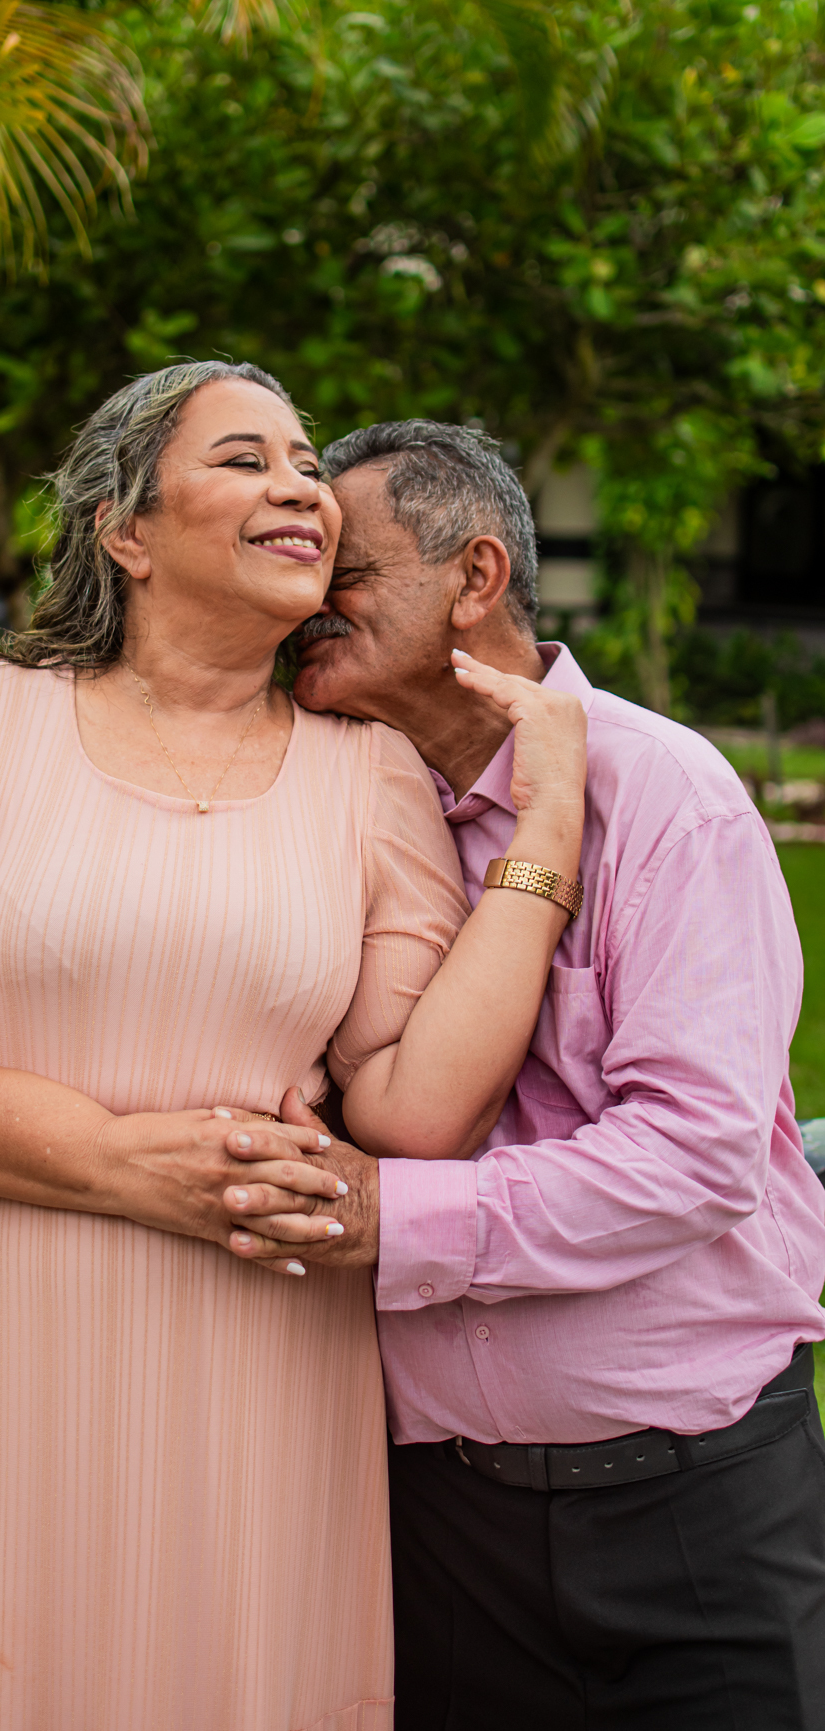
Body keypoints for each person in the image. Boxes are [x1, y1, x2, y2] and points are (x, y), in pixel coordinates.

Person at [0, 368, 589, 1731]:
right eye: (245, 458)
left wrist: (546, 819)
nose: (298, 486)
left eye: (307, 462)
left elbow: (416, 1107)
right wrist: (109, 1161)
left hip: (262, 1356)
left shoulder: (367, 772)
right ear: (123, 529)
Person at [236, 420, 825, 1730]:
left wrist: (389, 1215)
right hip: (431, 1521)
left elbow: (692, 1155)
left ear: (477, 574)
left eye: (343, 577)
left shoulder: (664, 795)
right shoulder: (327, 811)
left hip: (691, 1508)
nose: (301, 611)